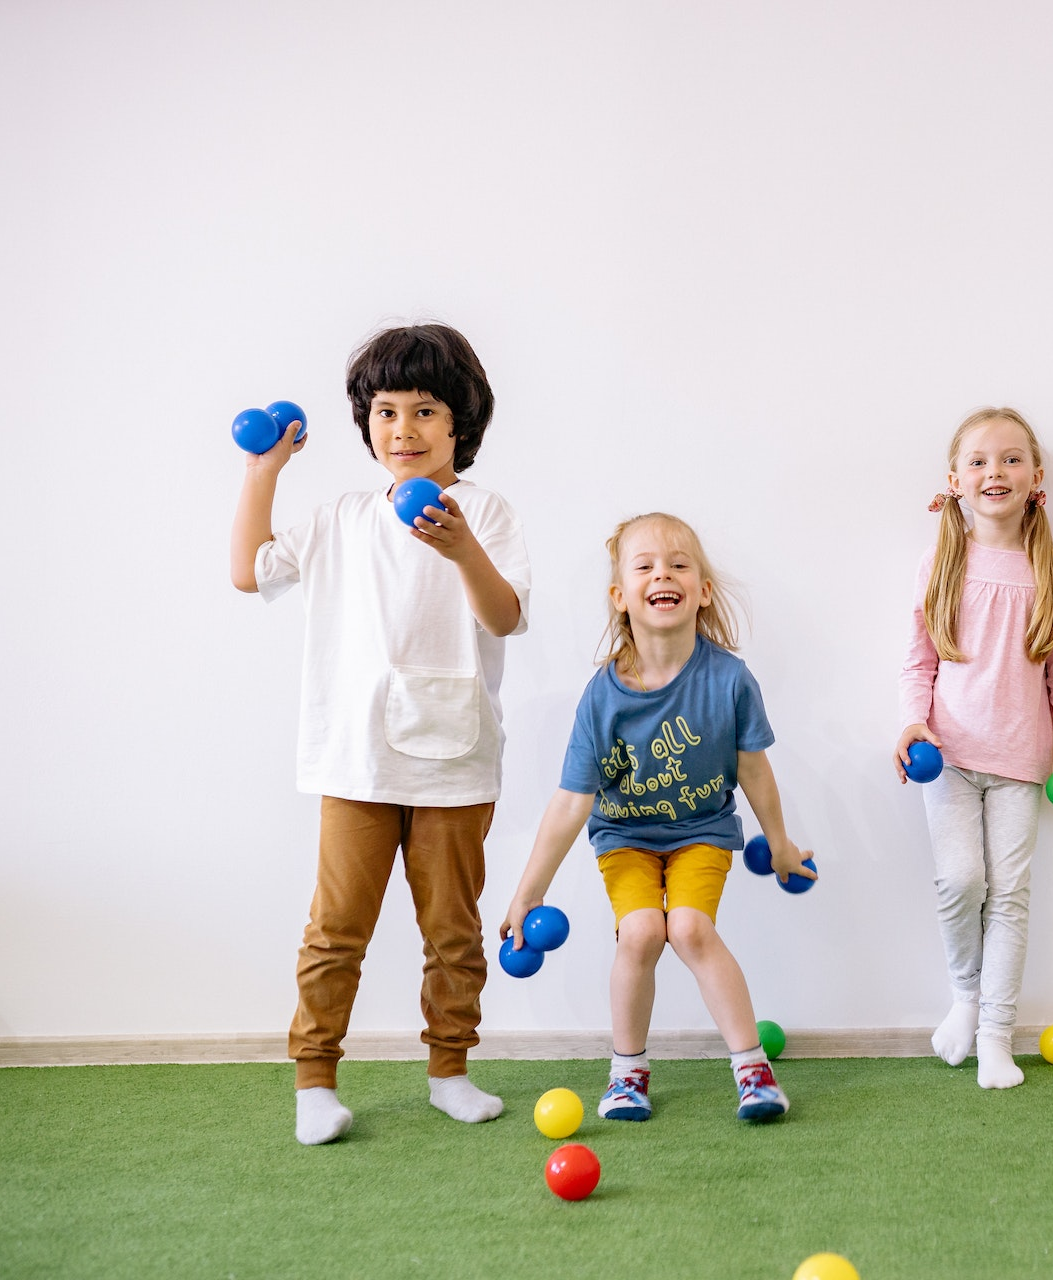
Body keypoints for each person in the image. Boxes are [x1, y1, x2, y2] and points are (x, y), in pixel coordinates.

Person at [231, 324, 530, 1145]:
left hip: (457, 760)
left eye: (426, 411)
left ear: (460, 424)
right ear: (366, 422)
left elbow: (505, 615)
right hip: (355, 760)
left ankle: (449, 1072)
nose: (404, 430)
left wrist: (462, 546)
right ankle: (314, 1083)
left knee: (453, 932)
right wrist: (265, 471)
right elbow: (248, 568)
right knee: (336, 929)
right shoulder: (339, 519)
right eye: (387, 411)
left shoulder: (487, 514)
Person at [502, 513, 812, 1122]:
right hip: (626, 837)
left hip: (703, 832)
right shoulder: (603, 694)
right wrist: (526, 892)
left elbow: (755, 771)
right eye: (644, 566)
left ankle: (754, 1071)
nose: (662, 573)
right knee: (642, 932)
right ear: (620, 597)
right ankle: (627, 1076)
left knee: (691, 930)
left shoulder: (729, 679)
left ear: (702, 591)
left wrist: (780, 845)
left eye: (678, 563)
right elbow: (572, 802)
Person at [896, 407, 1053, 1090]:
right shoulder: (940, 561)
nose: (994, 472)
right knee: (961, 882)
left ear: (1036, 478)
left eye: (1011, 459)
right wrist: (911, 725)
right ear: (955, 480)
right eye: (978, 461)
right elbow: (918, 664)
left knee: (1009, 893)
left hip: (1020, 761)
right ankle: (967, 999)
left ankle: (995, 1037)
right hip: (946, 755)